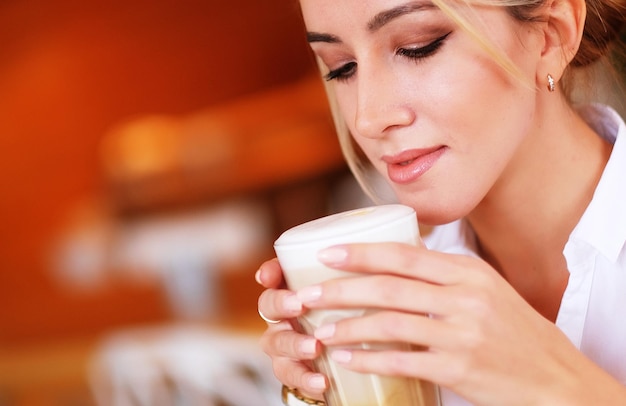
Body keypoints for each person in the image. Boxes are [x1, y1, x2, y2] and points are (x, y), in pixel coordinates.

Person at [256, 0, 626, 404]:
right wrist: (321, 392)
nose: (368, 118)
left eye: (419, 46)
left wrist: (567, 389)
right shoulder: (393, 309)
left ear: (551, 36)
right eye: (341, 67)